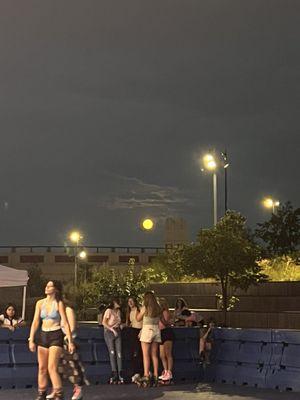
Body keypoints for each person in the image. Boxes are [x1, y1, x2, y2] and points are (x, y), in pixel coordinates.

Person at [28, 281, 75, 400]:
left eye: (50, 286)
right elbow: (35, 322)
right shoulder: (40, 303)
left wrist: (70, 341)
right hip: (43, 335)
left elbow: (65, 322)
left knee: (51, 367)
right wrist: (31, 339)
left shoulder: (59, 303)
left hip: (56, 334)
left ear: (55, 289)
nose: (46, 287)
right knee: (42, 367)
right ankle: (42, 393)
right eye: (46, 286)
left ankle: (59, 393)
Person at [46, 299, 88, 400]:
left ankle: (78, 390)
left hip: (68, 341)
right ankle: (56, 389)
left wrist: (67, 339)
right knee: (55, 367)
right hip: (57, 342)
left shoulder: (68, 310)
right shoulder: (56, 313)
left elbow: (72, 327)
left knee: (72, 366)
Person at [136, 291, 165, 387]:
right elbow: (164, 321)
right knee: (154, 355)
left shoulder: (145, 308)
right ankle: (156, 376)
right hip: (156, 330)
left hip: (147, 329)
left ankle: (146, 375)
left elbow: (138, 318)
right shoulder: (158, 308)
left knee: (145, 355)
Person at [102, 298, 124, 384]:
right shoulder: (109, 311)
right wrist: (111, 329)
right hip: (110, 332)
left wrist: (121, 325)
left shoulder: (118, 312)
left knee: (119, 353)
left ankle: (120, 373)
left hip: (118, 331)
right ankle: (114, 372)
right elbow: (104, 322)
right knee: (112, 353)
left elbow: (119, 322)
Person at [125, 297, 143, 381]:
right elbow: (129, 322)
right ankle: (135, 372)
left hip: (139, 330)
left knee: (139, 352)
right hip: (132, 331)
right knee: (134, 352)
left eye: (132, 301)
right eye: (129, 301)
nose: (130, 303)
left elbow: (142, 320)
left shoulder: (139, 309)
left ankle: (140, 371)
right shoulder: (129, 311)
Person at [158, 298, 174, 383]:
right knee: (162, 355)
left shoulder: (165, 312)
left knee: (168, 353)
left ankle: (169, 371)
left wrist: (160, 317)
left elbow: (166, 322)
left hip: (167, 332)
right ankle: (165, 370)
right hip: (160, 333)